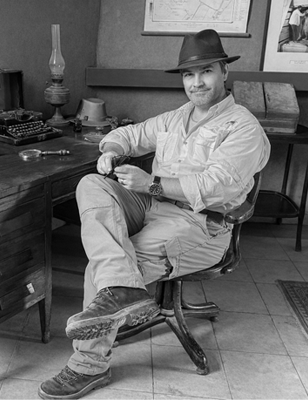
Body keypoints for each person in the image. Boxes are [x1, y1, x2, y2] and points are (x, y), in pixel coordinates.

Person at [39, 29, 270, 399]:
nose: (197, 83)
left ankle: (89, 365)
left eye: (206, 71)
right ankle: (123, 292)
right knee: (91, 185)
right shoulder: (177, 117)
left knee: (103, 268)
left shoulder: (243, 127)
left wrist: (152, 184)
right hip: (153, 206)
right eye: (188, 75)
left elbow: (217, 187)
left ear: (225, 72)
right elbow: (130, 135)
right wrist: (111, 151)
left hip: (201, 224)